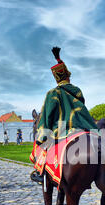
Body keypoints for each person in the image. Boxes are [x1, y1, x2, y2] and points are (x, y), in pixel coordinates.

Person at [31, 47, 97, 183]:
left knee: (44, 148)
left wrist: (42, 136)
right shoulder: (77, 91)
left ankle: (41, 173)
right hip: (85, 127)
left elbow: (47, 116)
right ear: (68, 76)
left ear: (56, 79)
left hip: (63, 131)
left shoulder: (52, 93)